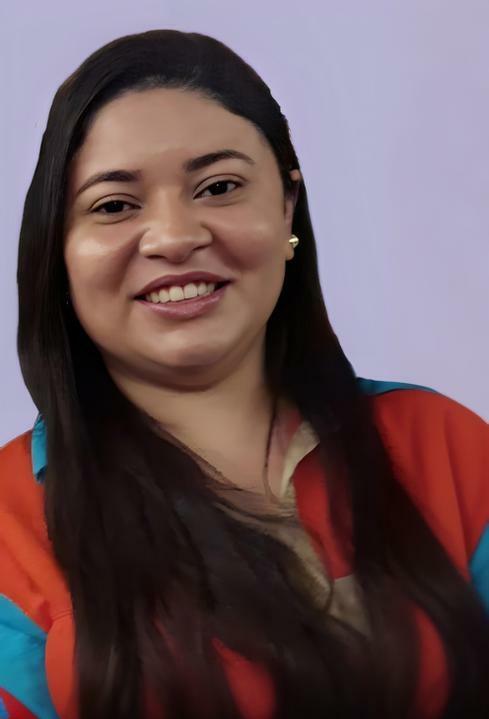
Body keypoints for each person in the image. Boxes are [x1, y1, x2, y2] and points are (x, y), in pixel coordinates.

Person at [0, 28, 487, 719]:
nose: (175, 237)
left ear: (286, 205)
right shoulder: (9, 524)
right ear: (59, 247)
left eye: (219, 187)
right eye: (114, 205)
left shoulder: (441, 445)